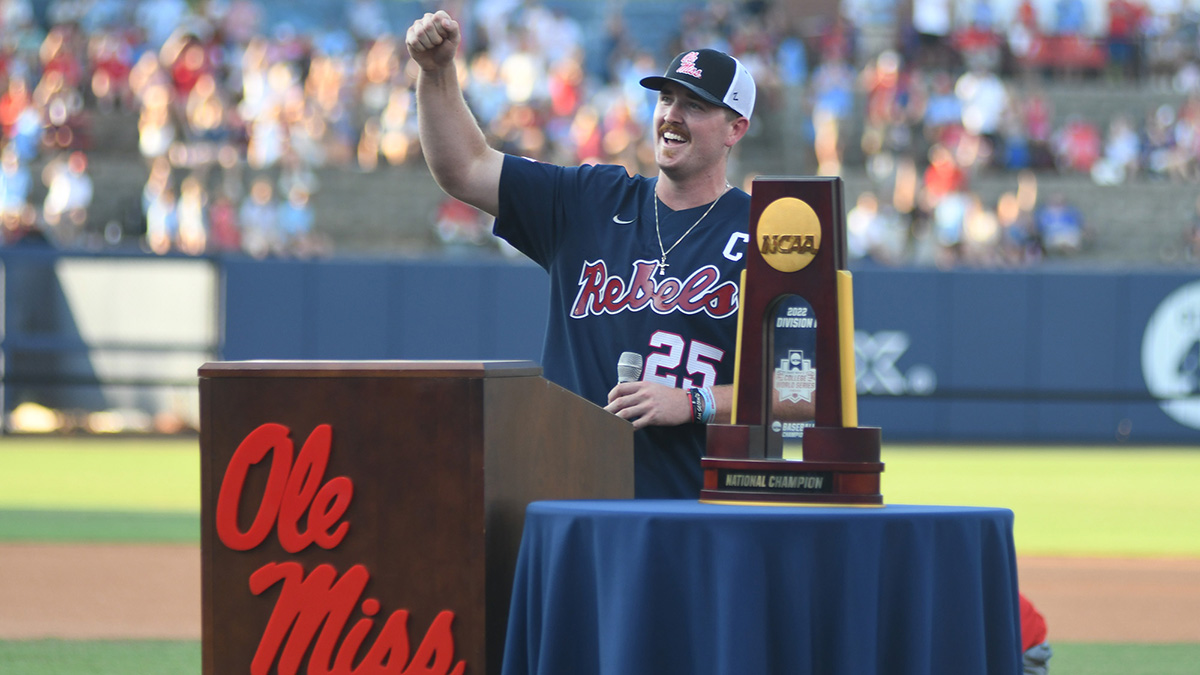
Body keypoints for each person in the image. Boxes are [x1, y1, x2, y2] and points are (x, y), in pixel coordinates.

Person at [406, 10, 757, 498]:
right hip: (571, 499)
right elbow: (464, 168)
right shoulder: (591, 198)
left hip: (693, 513)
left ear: (734, 130)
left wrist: (696, 401)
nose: (672, 115)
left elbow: (806, 392)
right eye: (666, 98)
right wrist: (436, 72)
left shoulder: (764, 233)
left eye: (695, 105)